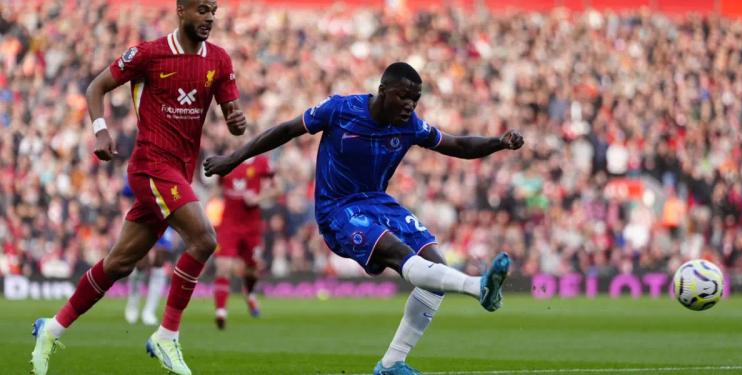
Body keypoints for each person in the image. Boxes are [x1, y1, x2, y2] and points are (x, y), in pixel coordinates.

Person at [204, 62, 524, 374]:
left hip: (380, 203)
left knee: (436, 266)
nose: (410, 105)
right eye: (404, 96)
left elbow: (456, 144)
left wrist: (498, 143)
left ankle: (390, 364)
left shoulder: (410, 125)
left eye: (416, 99)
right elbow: (286, 130)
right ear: (383, 91)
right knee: (401, 255)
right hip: (338, 209)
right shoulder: (340, 110)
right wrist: (233, 159)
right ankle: (477, 287)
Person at [30, 1, 246, 374]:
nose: (210, 17)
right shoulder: (149, 54)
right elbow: (96, 86)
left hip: (180, 172)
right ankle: (166, 336)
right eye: (202, 9)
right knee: (205, 239)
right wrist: (100, 130)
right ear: (181, 11)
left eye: (214, 10)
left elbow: (233, 119)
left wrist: (237, 121)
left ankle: (52, 328)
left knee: (119, 263)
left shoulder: (220, 61)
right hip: (150, 166)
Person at [213, 153, 279, 329]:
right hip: (228, 224)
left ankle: (249, 293)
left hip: (252, 226)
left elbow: (278, 188)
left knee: (252, 270)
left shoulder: (262, 162)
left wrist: (259, 198)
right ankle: (220, 312)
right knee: (223, 266)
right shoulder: (225, 161)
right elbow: (217, 189)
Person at [124, 227, 177, 326]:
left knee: (160, 261)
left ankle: (149, 311)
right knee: (141, 263)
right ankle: (132, 305)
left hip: (165, 218)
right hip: (146, 220)